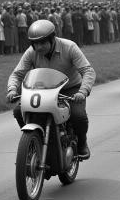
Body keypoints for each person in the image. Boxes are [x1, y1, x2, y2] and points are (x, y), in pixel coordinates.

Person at [6, 20, 95, 159]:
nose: (39, 47)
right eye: (35, 43)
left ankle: (82, 143)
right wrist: (12, 89)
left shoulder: (69, 47)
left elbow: (88, 71)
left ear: (52, 39)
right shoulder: (31, 52)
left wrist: (82, 92)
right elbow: (17, 74)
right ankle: (33, 140)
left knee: (78, 115)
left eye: (42, 42)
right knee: (18, 111)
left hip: (70, 89)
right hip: (43, 89)